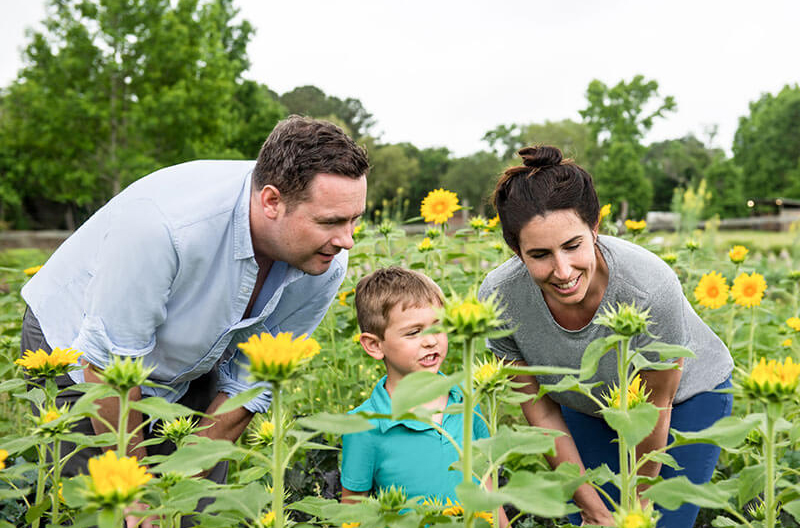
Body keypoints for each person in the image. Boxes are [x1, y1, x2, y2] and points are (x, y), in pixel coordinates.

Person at [20, 116, 369, 523]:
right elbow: (107, 365)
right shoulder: (165, 227)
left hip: (198, 357)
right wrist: (137, 498)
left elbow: (249, 382)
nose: (347, 241)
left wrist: (178, 488)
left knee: (192, 509)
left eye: (354, 219)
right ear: (271, 201)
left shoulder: (325, 262)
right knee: (108, 512)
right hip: (80, 351)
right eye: (330, 222)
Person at [478, 145, 733, 528]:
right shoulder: (500, 298)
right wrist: (591, 506)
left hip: (684, 401)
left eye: (573, 245)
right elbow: (540, 409)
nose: (562, 271)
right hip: (585, 406)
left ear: (595, 228)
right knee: (587, 517)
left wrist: (639, 507)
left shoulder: (648, 286)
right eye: (540, 254)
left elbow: (655, 408)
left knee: (657, 521)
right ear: (516, 250)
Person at [340, 267, 509, 527]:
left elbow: (486, 484)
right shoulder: (364, 425)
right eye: (413, 332)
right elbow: (353, 509)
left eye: (438, 326)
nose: (431, 341)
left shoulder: (467, 400)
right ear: (374, 345)